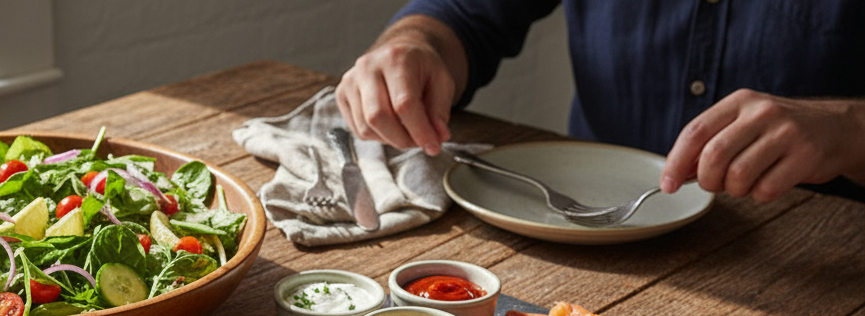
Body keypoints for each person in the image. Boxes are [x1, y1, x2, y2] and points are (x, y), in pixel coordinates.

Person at [336, 1, 865, 203]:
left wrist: (849, 129)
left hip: (820, 266)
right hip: (582, 231)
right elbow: (463, 14)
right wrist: (414, 45)